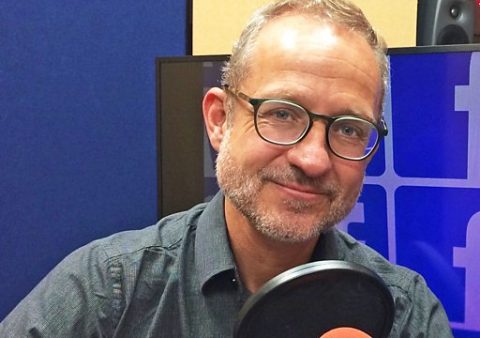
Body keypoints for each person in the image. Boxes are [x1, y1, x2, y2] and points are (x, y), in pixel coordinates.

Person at [0, 0, 452, 336]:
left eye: (349, 129)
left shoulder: (407, 314)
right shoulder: (109, 292)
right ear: (219, 120)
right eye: (281, 113)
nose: (313, 158)